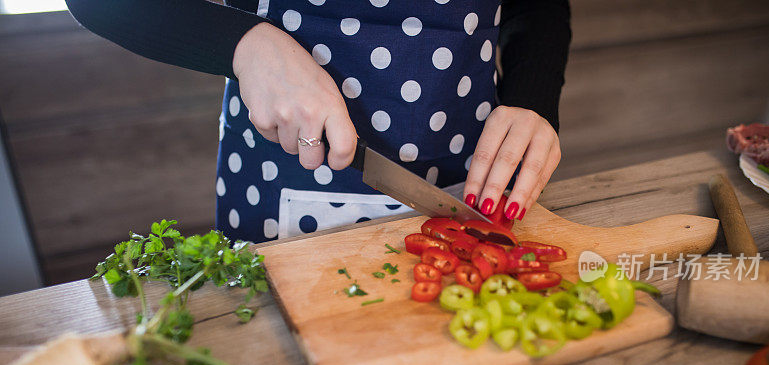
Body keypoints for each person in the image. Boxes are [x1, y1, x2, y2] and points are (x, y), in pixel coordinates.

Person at [65, 0, 571, 243]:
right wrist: (246, 44)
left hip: (471, 184)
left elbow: (540, 6)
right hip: (280, 184)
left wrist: (533, 98)